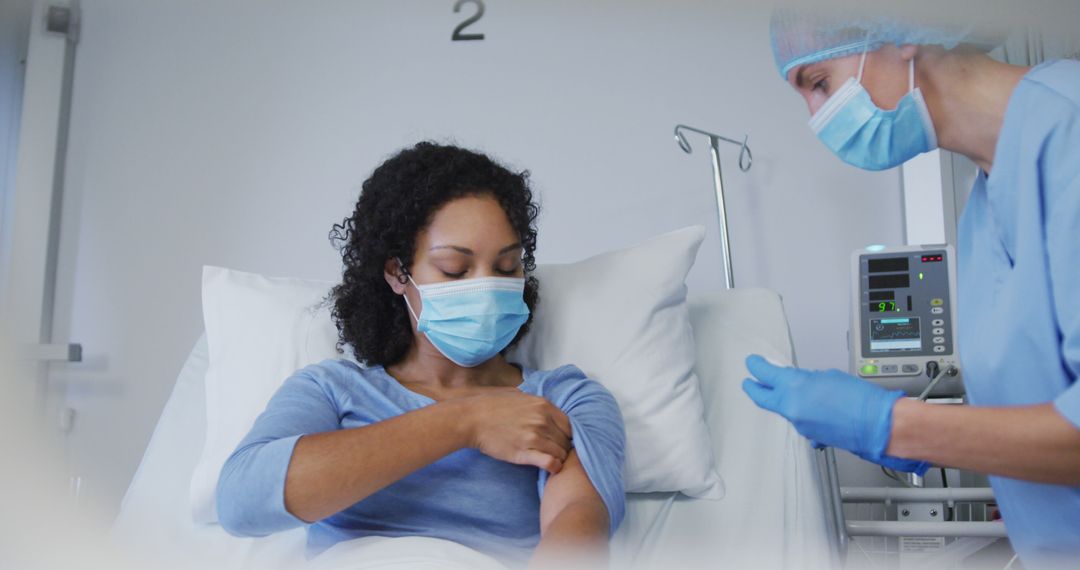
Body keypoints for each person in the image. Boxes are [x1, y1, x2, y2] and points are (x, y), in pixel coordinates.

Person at [743, 10, 1080, 567]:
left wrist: (891, 426)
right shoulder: (983, 207)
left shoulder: (1068, 128)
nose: (817, 117)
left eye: (819, 84)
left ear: (901, 32)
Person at [216, 142, 625, 568]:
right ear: (398, 273)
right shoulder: (332, 390)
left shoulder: (564, 399)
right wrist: (468, 422)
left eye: (506, 268)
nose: (486, 288)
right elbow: (242, 501)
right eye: (454, 268)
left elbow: (577, 525)